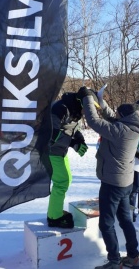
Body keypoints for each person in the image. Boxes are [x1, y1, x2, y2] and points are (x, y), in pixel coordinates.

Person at [77, 86, 139, 269]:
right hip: (125, 182)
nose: (114, 115)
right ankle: (133, 257)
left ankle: (114, 261)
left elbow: (94, 120)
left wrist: (87, 99)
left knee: (106, 224)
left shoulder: (119, 131)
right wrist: (100, 100)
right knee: (125, 220)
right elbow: (112, 117)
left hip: (112, 183)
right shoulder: (133, 126)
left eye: (117, 113)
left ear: (122, 116)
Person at [47, 92, 89, 228]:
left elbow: (73, 128)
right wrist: (72, 143)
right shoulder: (61, 108)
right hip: (51, 151)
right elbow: (51, 133)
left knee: (67, 179)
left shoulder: (74, 109)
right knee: (61, 182)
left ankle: (55, 210)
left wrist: (79, 139)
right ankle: (54, 217)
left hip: (60, 151)